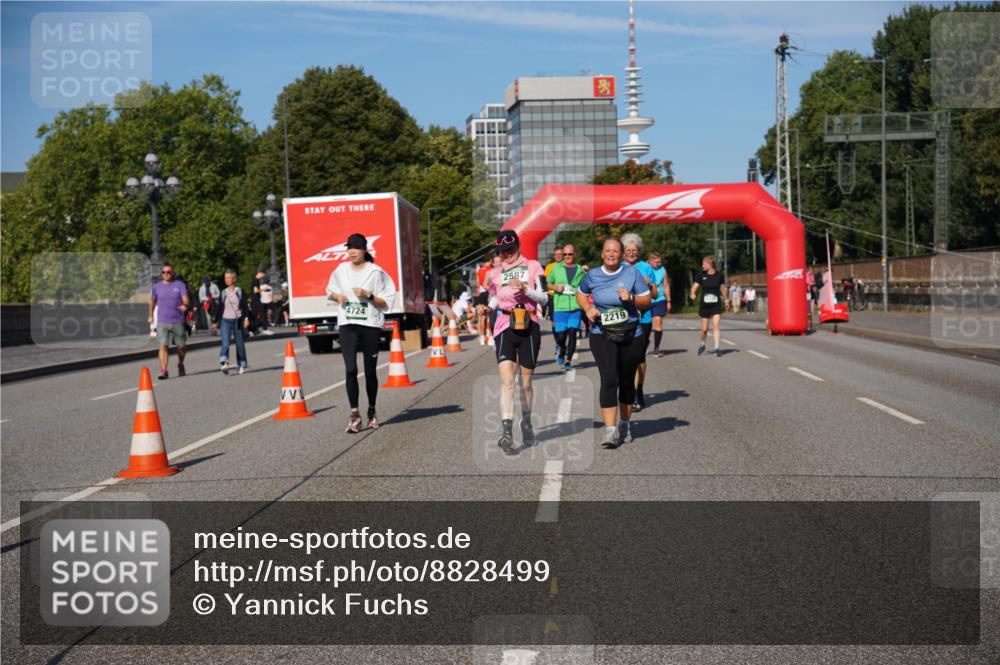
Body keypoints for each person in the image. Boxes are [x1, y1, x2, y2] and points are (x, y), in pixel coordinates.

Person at [476, 229, 547, 455]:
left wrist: (526, 290)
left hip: (528, 324)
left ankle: (526, 422)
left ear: (518, 247)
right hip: (504, 326)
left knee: (525, 383)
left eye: (509, 249)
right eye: (501, 251)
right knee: (507, 382)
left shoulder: (533, 266)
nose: (505, 254)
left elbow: (544, 297)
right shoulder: (496, 273)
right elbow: (494, 298)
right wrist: (489, 308)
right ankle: (506, 432)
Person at [576, 238, 651, 448]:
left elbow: (647, 301)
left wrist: (632, 298)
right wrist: (587, 308)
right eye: (607, 251)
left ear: (621, 254)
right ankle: (610, 431)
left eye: (615, 251)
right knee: (609, 378)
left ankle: (625, 424)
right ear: (602, 254)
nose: (611, 254)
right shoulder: (592, 275)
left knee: (626, 381)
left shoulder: (632, 273)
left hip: (631, 333)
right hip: (602, 333)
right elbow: (581, 294)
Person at [326, 233, 396, 433]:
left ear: (365, 249)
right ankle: (354, 414)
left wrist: (369, 295)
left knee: (370, 370)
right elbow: (330, 291)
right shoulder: (340, 270)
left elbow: (387, 301)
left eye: (356, 248)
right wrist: (337, 296)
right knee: (350, 369)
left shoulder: (376, 272)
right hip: (347, 324)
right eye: (349, 248)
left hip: (370, 324)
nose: (352, 251)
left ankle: (371, 410)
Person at [622, 233, 657, 411]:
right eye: (628, 250)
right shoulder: (617, 267)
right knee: (624, 357)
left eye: (634, 250)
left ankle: (638, 390)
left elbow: (655, 294)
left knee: (639, 356)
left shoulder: (646, 267)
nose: (631, 253)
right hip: (623, 317)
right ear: (623, 251)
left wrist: (649, 285)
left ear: (639, 251)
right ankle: (627, 388)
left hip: (644, 318)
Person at [148, 262, 190, 380]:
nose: (166, 274)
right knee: (163, 345)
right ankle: (164, 370)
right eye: (164, 272)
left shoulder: (179, 285)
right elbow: (152, 302)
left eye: (168, 272)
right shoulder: (157, 287)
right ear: (161, 273)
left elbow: (186, 300)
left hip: (178, 320)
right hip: (162, 320)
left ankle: (180, 363)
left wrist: (185, 305)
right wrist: (151, 316)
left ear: (173, 273)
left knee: (181, 347)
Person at [548, 243, 585, 372]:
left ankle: (568, 361)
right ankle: (562, 350)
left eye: (570, 254)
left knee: (573, 333)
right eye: (565, 254)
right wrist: (555, 287)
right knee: (561, 337)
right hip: (560, 308)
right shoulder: (556, 269)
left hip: (575, 307)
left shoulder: (580, 270)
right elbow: (547, 283)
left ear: (574, 255)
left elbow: (584, 286)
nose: (567, 256)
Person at [211, 270, 250, 375]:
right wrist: (215, 322)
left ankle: (241, 364)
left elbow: (246, 307)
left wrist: (246, 319)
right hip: (225, 320)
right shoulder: (223, 292)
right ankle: (224, 362)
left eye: (229, 278)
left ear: (234, 279)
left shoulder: (240, 291)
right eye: (225, 278)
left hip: (238, 320)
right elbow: (220, 308)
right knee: (225, 343)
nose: (226, 280)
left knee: (239, 344)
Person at [690, 255, 728, 357]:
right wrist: (692, 293)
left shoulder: (719, 275)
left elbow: (722, 288)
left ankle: (717, 348)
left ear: (710, 264)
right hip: (705, 305)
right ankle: (702, 344)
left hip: (716, 304)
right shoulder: (700, 275)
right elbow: (694, 287)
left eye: (704, 264)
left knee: (716, 325)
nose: (702, 266)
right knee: (704, 329)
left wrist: (726, 299)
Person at [647, 251, 671, 357]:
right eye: (657, 262)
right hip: (645, 300)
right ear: (650, 261)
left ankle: (656, 349)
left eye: (660, 262)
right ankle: (645, 342)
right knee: (645, 325)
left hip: (659, 299)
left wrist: (668, 301)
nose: (659, 264)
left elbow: (666, 286)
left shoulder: (663, 269)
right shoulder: (644, 268)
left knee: (658, 322)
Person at [475, 253, 495, 344]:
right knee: (490, 316)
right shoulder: (491, 270)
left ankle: (481, 338)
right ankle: (490, 337)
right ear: (491, 260)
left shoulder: (479, 270)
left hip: (480, 293)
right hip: (488, 292)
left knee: (480, 317)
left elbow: (478, 284)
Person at [250, 270, 273, 336]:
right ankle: (265, 329)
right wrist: (263, 289)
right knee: (263, 314)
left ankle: (252, 330)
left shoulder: (254, 280)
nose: (263, 277)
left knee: (254, 315)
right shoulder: (256, 280)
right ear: (261, 273)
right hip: (256, 300)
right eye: (263, 275)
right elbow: (256, 291)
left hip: (254, 300)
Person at [544, 247, 564, 321]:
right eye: (556, 254)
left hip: (564, 295)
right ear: (554, 256)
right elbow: (545, 281)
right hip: (552, 296)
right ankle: (554, 328)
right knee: (553, 317)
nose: (558, 256)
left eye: (560, 254)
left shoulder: (567, 265)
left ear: (563, 255)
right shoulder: (549, 267)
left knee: (562, 316)